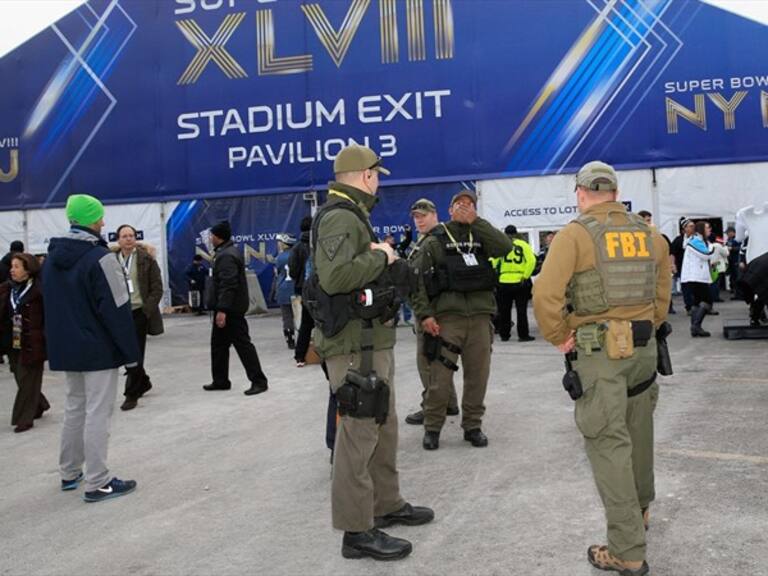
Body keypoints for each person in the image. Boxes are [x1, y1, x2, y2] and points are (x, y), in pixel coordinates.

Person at [532, 161, 670, 576]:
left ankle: (627, 550)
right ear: (615, 191)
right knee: (639, 435)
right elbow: (662, 293)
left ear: (580, 193)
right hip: (644, 350)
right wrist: (651, 323)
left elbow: (546, 295)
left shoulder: (575, 235)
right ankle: (640, 513)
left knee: (608, 443)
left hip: (600, 355)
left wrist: (558, 336)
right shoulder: (650, 234)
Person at [309, 144, 433, 561]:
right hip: (354, 345)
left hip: (370, 340)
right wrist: (380, 255)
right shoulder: (341, 216)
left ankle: (385, 504)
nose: (379, 180)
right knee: (358, 435)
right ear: (365, 175)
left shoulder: (353, 214)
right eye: (377, 174)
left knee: (383, 424)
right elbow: (335, 275)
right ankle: (356, 531)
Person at [43, 194, 139, 502]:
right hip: (98, 349)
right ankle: (98, 481)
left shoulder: (52, 259)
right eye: (99, 217)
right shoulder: (101, 258)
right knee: (98, 412)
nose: (103, 222)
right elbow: (117, 309)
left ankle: (70, 472)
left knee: (75, 408)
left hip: (68, 347)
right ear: (90, 220)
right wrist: (131, 355)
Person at [409, 189, 513, 450]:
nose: (464, 207)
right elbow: (418, 281)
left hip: (479, 319)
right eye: (459, 204)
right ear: (449, 209)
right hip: (447, 321)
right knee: (439, 379)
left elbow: (505, 247)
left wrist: (476, 222)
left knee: (478, 377)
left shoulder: (480, 235)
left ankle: (473, 426)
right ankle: (433, 427)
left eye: (469, 204)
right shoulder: (436, 240)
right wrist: (425, 315)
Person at [403, 198, 459, 426]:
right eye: (416, 217)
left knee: (427, 361)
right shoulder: (434, 238)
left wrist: (425, 314)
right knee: (441, 359)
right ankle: (449, 402)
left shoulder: (432, 241)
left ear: (434, 214)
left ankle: (432, 406)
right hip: (436, 308)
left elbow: (419, 281)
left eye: (422, 216)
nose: (419, 221)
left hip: (429, 310)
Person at [203, 220, 269, 395]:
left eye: (211, 235)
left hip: (230, 309)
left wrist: (223, 310)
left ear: (218, 237)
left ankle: (259, 381)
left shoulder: (226, 256)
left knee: (243, 344)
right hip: (225, 307)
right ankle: (220, 380)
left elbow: (228, 284)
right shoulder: (225, 252)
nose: (209, 238)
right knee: (218, 345)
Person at [114, 224, 165, 411]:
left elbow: (157, 288)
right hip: (119, 313)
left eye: (131, 235)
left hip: (138, 312)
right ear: (118, 239)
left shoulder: (146, 259)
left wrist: (147, 310)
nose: (128, 239)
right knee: (123, 351)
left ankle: (131, 394)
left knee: (135, 353)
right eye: (124, 236)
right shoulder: (111, 260)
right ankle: (143, 381)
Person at [0, 253, 49, 433]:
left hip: (33, 342)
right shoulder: (6, 289)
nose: (12, 270)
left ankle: (23, 418)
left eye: (17, 267)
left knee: (28, 379)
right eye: (11, 266)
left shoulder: (39, 291)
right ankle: (39, 403)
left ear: (28, 270)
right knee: (20, 376)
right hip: (12, 341)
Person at [491, 224, 536, 342]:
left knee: (504, 310)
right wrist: (525, 276)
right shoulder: (523, 245)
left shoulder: (501, 245)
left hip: (504, 280)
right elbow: (531, 261)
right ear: (516, 233)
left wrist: (497, 274)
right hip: (520, 281)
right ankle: (523, 335)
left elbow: (493, 261)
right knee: (522, 310)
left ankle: (504, 334)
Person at [681, 221, 719, 337]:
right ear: (702, 229)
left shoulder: (699, 240)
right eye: (707, 228)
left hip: (696, 276)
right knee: (707, 300)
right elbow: (706, 255)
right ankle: (696, 326)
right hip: (696, 276)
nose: (710, 230)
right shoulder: (696, 241)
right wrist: (716, 248)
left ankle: (695, 327)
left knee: (697, 302)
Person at [290, 216, 314, 367]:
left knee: (305, 323)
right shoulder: (319, 244)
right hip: (322, 289)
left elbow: (293, 270)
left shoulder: (297, 247)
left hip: (304, 289)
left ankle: (300, 356)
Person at [274, 233, 297, 349]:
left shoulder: (279, 258)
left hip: (283, 289)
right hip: (296, 289)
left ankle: (290, 340)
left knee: (287, 317)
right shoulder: (296, 255)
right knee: (299, 315)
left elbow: (277, 273)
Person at [670, 218, 695, 312]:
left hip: (695, 268)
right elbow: (672, 253)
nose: (693, 228)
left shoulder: (696, 239)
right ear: (684, 228)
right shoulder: (678, 240)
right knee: (686, 289)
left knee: (695, 288)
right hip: (682, 268)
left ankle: (697, 306)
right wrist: (673, 265)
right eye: (690, 226)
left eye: (693, 226)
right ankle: (689, 307)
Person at [725, 226, 742, 299]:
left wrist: (732, 248)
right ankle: (735, 293)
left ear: (732, 232)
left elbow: (741, 248)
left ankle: (739, 294)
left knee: (738, 278)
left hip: (736, 261)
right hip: (730, 261)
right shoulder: (729, 239)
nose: (727, 235)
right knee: (732, 278)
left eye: (728, 233)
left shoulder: (738, 239)